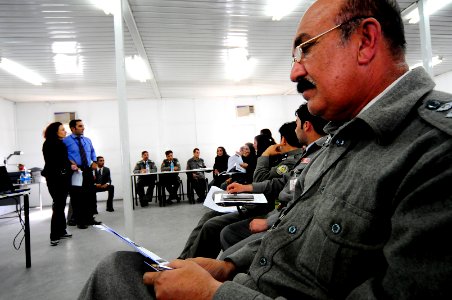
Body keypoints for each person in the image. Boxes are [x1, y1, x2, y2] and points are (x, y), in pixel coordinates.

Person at [79, 0, 452, 299]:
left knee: (116, 274)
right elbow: (291, 223)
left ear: (365, 41)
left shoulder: (435, 150)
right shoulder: (343, 138)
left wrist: (213, 295)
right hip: (249, 281)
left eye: (305, 48)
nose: (294, 73)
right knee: (129, 267)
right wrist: (228, 267)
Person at [178, 119, 305, 260]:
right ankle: (183, 260)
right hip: (260, 203)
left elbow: (262, 181)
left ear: (283, 139)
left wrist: (264, 156)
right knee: (208, 217)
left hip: (265, 208)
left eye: (253, 146)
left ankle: (192, 264)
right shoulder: (285, 158)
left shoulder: (289, 161)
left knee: (213, 225)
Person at [220, 104, 327, 254]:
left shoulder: (319, 156)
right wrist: (245, 187)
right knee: (227, 232)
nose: (296, 129)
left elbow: (304, 202)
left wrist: (270, 221)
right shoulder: (308, 154)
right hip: (278, 213)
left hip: (284, 220)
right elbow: (283, 181)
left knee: (227, 250)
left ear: (306, 126)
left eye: (297, 124)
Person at [41, 122, 78, 246]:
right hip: (57, 180)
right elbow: (57, 163)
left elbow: (61, 161)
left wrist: (69, 165)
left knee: (60, 205)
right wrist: (70, 166)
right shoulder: (54, 144)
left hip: (56, 178)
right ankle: (54, 235)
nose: (65, 131)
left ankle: (61, 231)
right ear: (55, 131)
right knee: (58, 207)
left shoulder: (51, 143)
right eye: (62, 129)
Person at [63, 119, 100, 229]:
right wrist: (69, 163)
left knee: (90, 195)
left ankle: (89, 218)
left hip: (87, 170)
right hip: (75, 171)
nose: (83, 128)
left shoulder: (87, 140)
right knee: (78, 196)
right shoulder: (66, 141)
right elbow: (62, 156)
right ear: (73, 128)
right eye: (80, 126)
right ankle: (80, 220)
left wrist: (94, 161)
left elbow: (93, 151)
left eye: (83, 126)